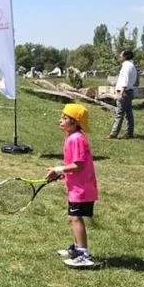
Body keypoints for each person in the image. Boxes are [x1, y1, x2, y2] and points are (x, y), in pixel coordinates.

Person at [46, 103, 99, 268]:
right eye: (61, 117)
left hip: (82, 189)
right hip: (77, 187)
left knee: (75, 218)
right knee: (72, 217)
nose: (60, 120)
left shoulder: (76, 139)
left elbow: (79, 165)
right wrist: (62, 173)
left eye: (65, 118)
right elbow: (74, 166)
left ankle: (83, 254)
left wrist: (58, 169)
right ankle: (77, 248)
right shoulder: (72, 137)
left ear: (75, 122)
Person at [108, 49, 137, 139]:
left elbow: (125, 80)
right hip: (129, 91)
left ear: (125, 56)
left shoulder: (127, 66)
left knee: (119, 113)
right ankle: (129, 132)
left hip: (124, 92)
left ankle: (114, 133)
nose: (120, 56)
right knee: (128, 114)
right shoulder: (131, 66)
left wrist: (121, 92)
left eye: (121, 55)